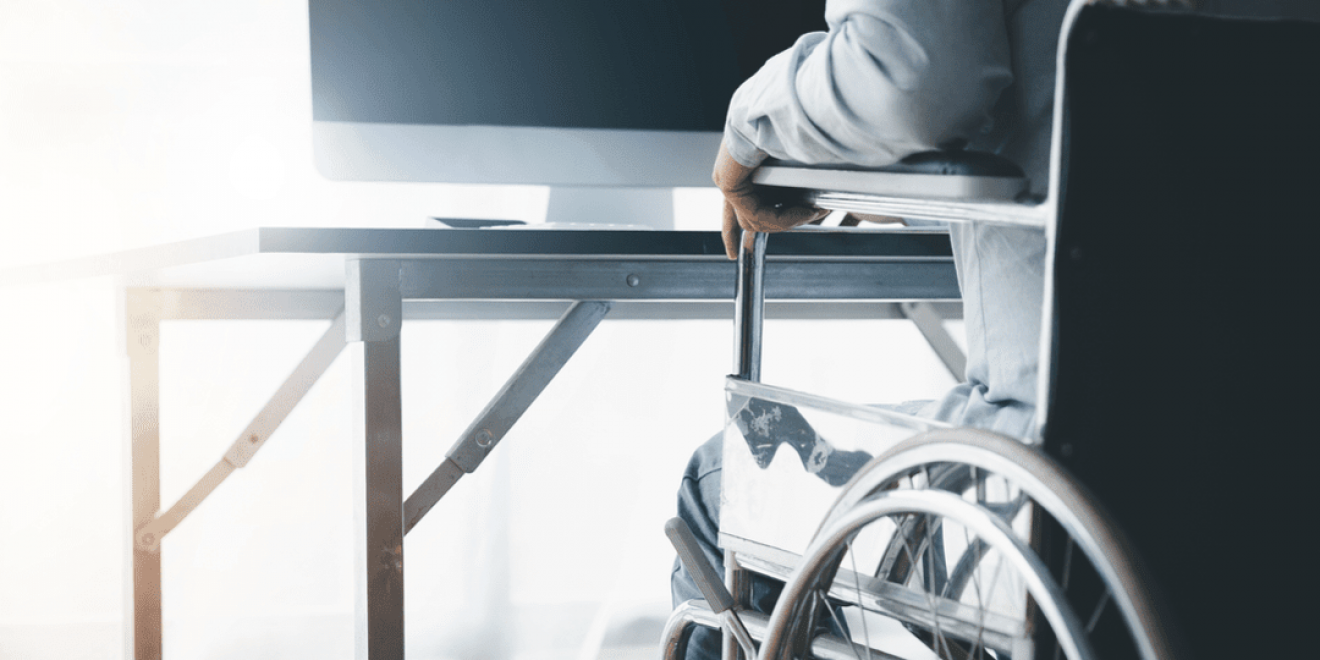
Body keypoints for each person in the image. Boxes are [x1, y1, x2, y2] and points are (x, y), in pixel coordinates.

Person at [671, 1, 1070, 658]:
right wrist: (914, 187)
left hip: (1053, 498)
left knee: (716, 483)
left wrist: (750, 126)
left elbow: (915, 79)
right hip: (1268, 492)